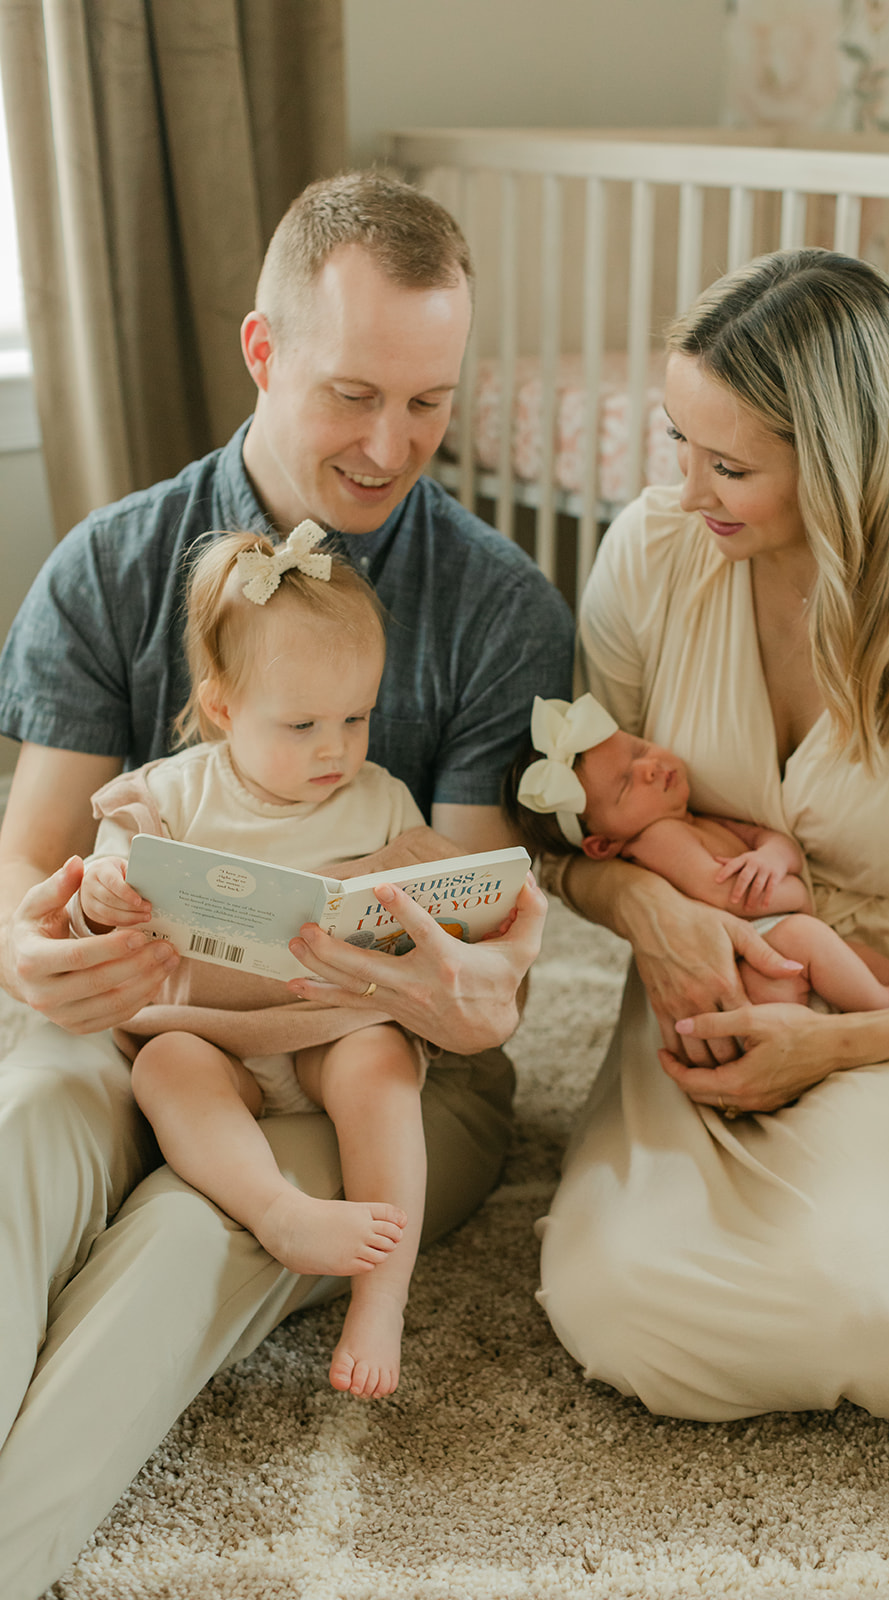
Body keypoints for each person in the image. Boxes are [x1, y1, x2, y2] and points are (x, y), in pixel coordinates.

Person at [0, 170, 576, 1597]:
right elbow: (30, 857)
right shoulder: (110, 566)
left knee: (189, 1242)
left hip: (366, 1055)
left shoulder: (498, 605)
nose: (393, 447)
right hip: (144, 1019)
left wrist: (480, 975)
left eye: (430, 402)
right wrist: (32, 946)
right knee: (22, 1123)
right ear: (264, 355)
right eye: (352, 394)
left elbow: (467, 898)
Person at [536, 247, 889, 1442]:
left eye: (727, 464)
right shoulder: (656, 553)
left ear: (837, 464)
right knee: (612, 1299)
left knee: (858, 1270)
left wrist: (839, 1039)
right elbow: (577, 829)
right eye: (676, 444)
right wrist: (646, 910)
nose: (685, 490)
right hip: (702, 993)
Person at [77, 522, 465, 1400]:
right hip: (212, 1029)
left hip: (329, 1023)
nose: (335, 748)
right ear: (221, 706)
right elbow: (100, 884)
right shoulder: (169, 793)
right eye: (302, 724)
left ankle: (380, 1298)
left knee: (381, 1069)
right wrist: (103, 894)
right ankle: (276, 1209)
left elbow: (439, 896)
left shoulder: (381, 801)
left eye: (356, 718)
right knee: (167, 1069)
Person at [506, 692, 889, 1024]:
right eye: (627, 783)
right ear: (603, 845)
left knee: (845, 952)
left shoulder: (692, 818)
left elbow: (768, 838)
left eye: (637, 748)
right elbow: (728, 895)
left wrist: (775, 860)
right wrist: (793, 887)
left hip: (772, 927)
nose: (651, 767)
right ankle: (887, 1000)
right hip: (743, 945)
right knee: (812, 937)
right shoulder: (656, 839)